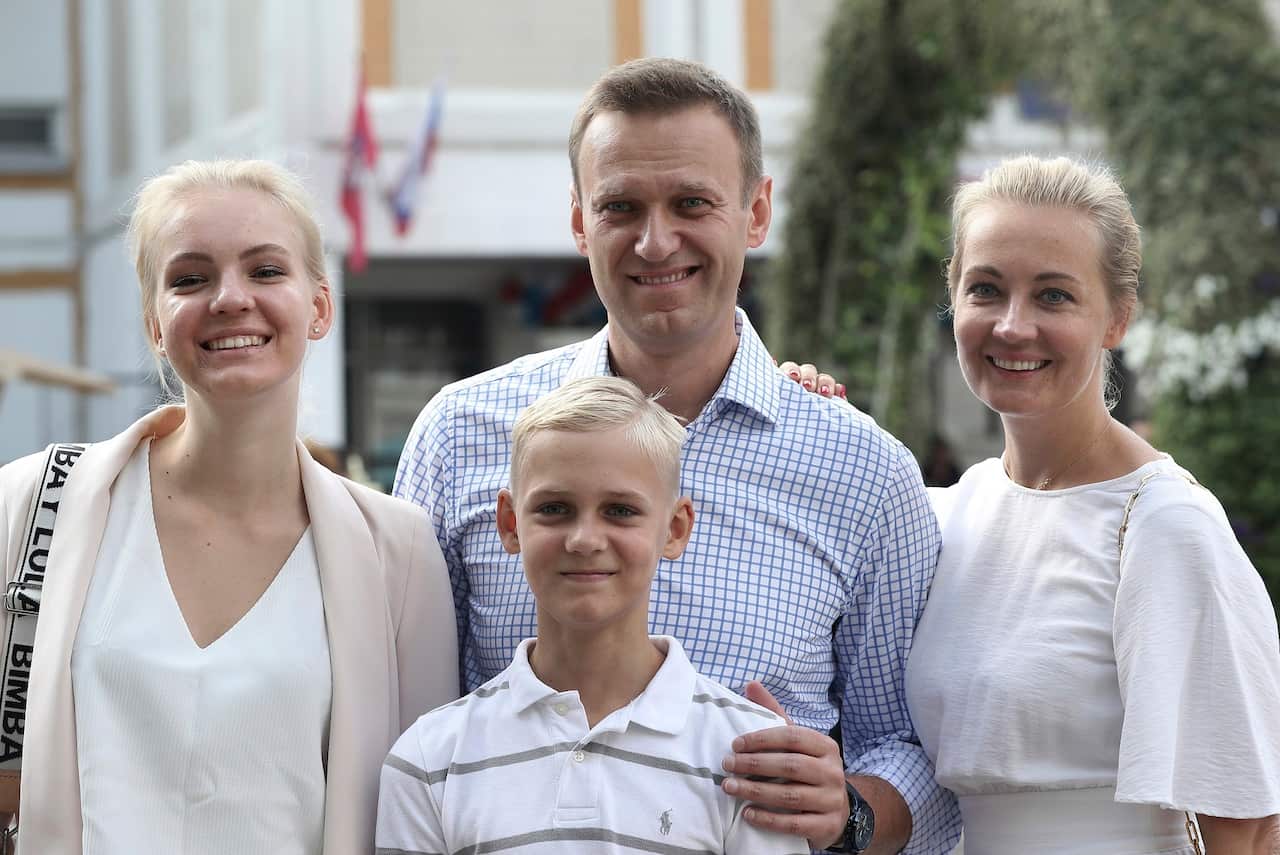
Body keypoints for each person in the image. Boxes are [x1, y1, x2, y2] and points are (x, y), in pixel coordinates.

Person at [395, 58, 958, 854]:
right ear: (580, 221)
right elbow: (409, 717)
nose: (656, 241)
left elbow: (920, 751)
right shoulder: (461, 436)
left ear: (757, 212)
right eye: (621, 206)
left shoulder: (863, 471)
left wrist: (850, 812)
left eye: (692, 202)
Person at [0, 159, 459, 854]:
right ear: (156, 323)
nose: (230, 298)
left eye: (266, 270)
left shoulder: (397, 548)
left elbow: (419, 812)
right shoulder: (33, 502)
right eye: (190, 278)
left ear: (319, 306)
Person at [901, 155, 1280, 853]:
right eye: (986, 288)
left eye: (1053, 296)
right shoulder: (950, 512)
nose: (1013, 326)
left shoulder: (1165, 527)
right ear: (954, 296)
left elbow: (1248, 828)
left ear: (1117, 319)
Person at [377, 376, 809, 854]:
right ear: (509, 522)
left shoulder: (746, 752)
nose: (584, 539)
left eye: (620, 510)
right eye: (555, 508)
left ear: (675, 528)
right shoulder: (431, 758)